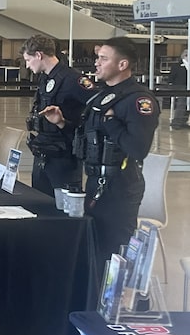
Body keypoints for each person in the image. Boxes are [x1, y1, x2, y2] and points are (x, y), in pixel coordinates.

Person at [43, 38, 160, 262]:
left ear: (122, 64)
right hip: (96, 182)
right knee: (95, 250)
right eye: (98, 58)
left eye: (103, 59)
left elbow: (138, 149)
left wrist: (112, 123)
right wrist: (62, 124)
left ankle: (114, 297)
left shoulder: (138, 100)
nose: (97, 63)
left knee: (114, 253)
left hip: (120, 188)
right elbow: (89, 138)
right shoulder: (101, 96)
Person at [22, 34, 95, 197]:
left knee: (64, 210)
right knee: (39, 205)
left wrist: (63, 122)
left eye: (28, 60)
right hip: (43, 152)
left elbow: (97, 104)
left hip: (64, 158)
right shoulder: (45, 78)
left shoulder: (72, 79)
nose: (27, 66)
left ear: (39, 55)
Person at [168, 48, 189, 130]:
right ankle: (176, 122)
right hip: (180, 87)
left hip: (188, 87)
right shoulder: (176, 66)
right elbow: (171, 78)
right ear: (185, 56)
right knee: (182, 103)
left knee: (188, 104)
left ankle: (183, 121)